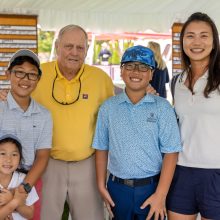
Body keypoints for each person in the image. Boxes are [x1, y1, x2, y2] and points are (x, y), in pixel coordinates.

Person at [31, 25, 114, 219]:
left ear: (86, 50)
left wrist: (146, 92)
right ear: (57, 46)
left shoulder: (100, 79)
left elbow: (117, 109)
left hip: (88, 164)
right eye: (68, 46)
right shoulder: (38, 75)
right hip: (47, 164)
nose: (74, 52)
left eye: (80, 47)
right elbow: (18, 98)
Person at [92, 45, 182, 220]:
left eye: (143, 67)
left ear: (151, 74)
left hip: (152, 187)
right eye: (130, 65)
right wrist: (101, 185)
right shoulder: (108, 107)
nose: (136, 71)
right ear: (121, 71)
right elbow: (101, 148)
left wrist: (161, 195)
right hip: (117, 188)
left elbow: (171, 152)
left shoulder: (162, 107)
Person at [166, 12, 220, 220]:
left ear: (214, 42)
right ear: (182, 42)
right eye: (190, 36)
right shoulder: (177, 82)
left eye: (204, 35)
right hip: (181, 171)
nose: (196, 42)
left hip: (215, 173)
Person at [0, 49, 52, 220]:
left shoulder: (44, 115)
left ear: (38, 79)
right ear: (8, 74)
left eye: (32, 75)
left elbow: (43, 156)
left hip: (30, 180)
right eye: (19, 73)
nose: (25, 79)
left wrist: (24, 188)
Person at [0, 134, 39, 220]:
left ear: (20, 161)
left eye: (14, 155)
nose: (8, 159)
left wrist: (13, 201)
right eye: (3, 153)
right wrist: (15, 201)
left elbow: (30, 214)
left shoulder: (24, 180)